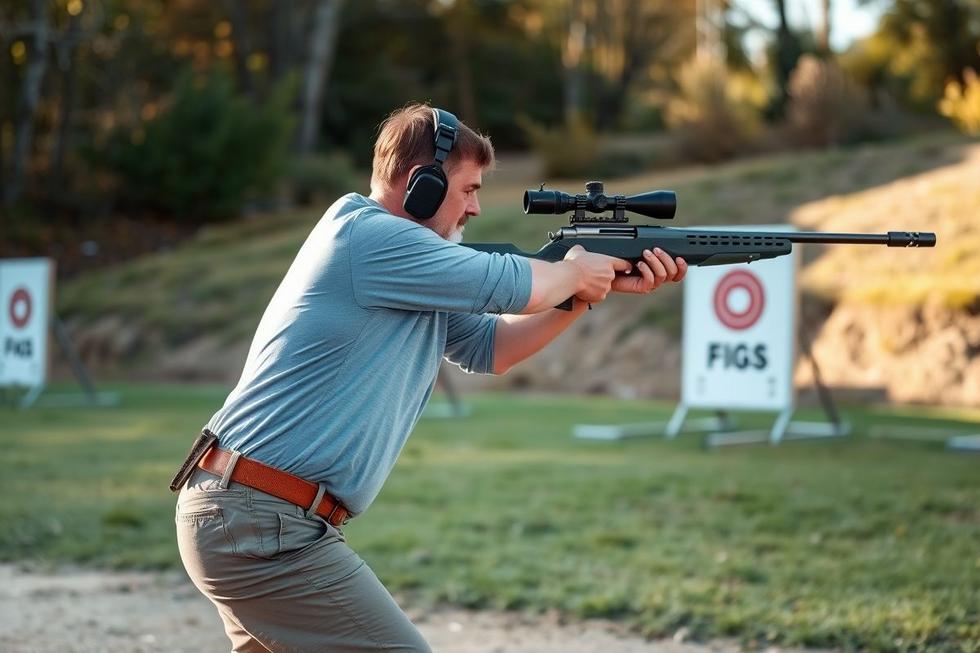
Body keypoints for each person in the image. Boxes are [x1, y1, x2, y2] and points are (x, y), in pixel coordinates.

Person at [173, 103, 686, 652]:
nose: (476, 208)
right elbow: (518, 285)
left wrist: (580, 296)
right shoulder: (368, 238)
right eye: (468, 189)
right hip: (261, 523)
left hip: (253, 517)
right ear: (420, 185)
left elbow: (495, 347)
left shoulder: (413, 269)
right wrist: (573, 272)